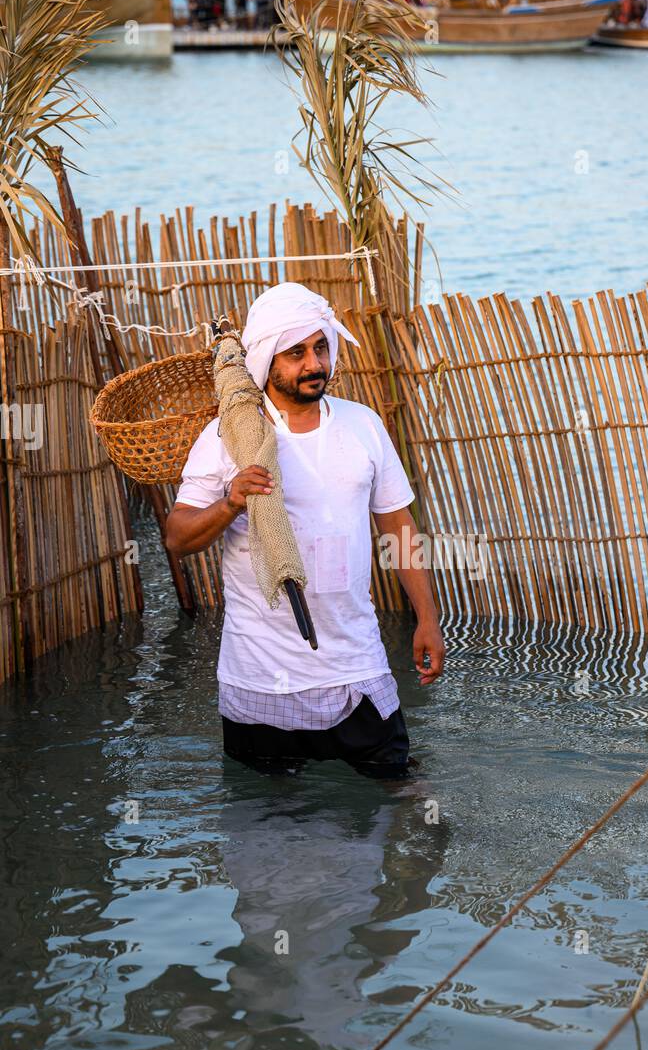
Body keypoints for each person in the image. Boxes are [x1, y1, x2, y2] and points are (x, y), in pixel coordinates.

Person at [165, 283, 445, 781]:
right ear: (267, 361)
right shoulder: (228, 437)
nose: (313, 363)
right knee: (268, 826)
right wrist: (231, 502)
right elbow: (178, 537)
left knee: (400, 795)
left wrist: (428, 618)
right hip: (261, 678)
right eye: (295, 353)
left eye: (320, 348)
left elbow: (398, 526)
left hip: (356, 666)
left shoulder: (363, 427)